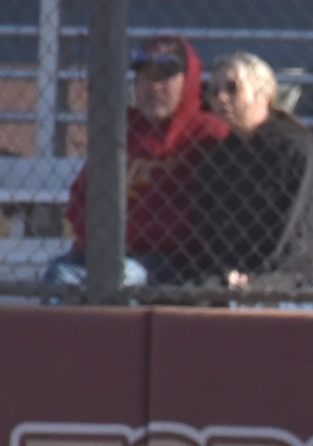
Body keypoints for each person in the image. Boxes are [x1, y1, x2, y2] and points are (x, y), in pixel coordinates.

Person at [53, 34, 229, 287]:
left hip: (171, 260)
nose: (154, 87)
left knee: (121, 278)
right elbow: (81, 197)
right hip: (104, 252)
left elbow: (206, 218)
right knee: (58, 275)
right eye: (146, 76)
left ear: (187, 81)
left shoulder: (208, 134)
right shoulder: (121, 129)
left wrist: (132, 234)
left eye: (165, 77)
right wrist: (100, 238)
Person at [191, 52, 313, 288]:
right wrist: (225, 270)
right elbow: (209, 226)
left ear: (263, 94)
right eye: (214, 91)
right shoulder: (220, 156)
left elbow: (292, 228)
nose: (221, 98)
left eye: (232, 88)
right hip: (232, 268)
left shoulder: (293, 148)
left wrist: (255, 275)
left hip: (287, 270)